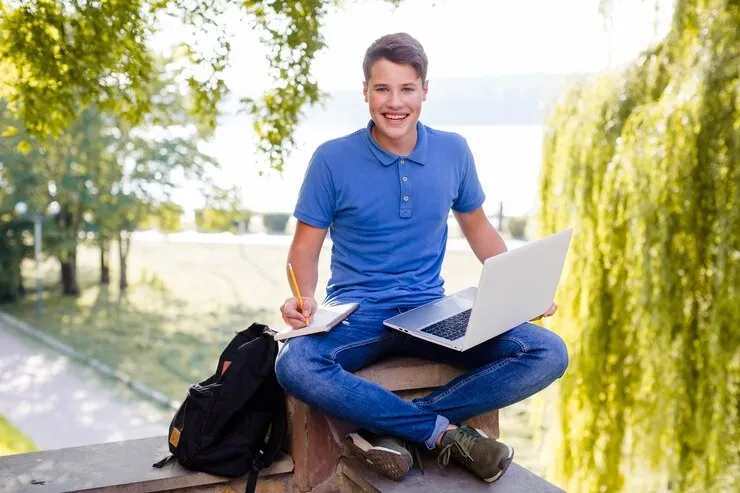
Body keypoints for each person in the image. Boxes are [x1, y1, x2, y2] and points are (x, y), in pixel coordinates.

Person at [275, 32, 568, 483]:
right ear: (366, 92)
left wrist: (521, 291)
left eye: (407, 88)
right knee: (294, 363)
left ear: (425, 91)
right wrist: (304, 297)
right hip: (357, 313)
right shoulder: (332, 159)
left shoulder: (453, 151)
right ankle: (441, 433)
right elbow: (304, 248)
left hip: (430, 309)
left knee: (547, 350)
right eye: (382, 89)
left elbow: (478, 227)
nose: (395, 102)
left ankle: (393, 427)